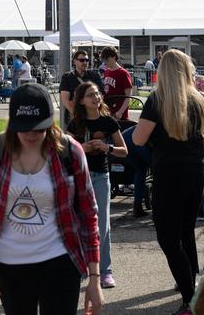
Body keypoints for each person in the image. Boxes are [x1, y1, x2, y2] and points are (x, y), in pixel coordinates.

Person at [0, 83, 103, 315]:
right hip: (9, 266)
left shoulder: (70, 152)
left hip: (60, 261)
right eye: (24, 127)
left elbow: (89, 214)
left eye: (39, 128)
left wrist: (95, 278)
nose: (31, 134)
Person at [132, 49, 204, 312]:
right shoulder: (198, 100)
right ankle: (193, 286)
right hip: (196, 169)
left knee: (168, 237)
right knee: (186, 231)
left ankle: (191, 297)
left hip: (169, 171)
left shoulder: (157, 99)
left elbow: (138, 139)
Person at [69, 81, 126, 289]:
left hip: (101, 177)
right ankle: (82, 268)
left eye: (97, 94)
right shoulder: (75, 123)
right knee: (78, 224)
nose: (96, 97)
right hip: (80, 178)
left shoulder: (109, 122)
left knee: (103, 225)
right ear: (82, 101)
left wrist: (107, 147)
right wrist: (81, 147)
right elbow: (66, 152)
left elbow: (124, 150)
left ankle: (105, 271)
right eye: (90, 95)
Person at [59, 48, 105, 122]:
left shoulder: (94, 76)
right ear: (74, 61)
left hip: (93, 117)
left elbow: (101, 95)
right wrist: (77, 116)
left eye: (87, 60)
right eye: (82, 60)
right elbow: (65, 100)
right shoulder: (67, 77)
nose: (85, 62)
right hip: (74, 118)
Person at [99, 46, 133, 125]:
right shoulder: (106, 72)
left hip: (119, 117)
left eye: (107, 59)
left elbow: (128, 97)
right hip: (107, 114)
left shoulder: (123, 73)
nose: (105, 62)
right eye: (103, 60)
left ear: (114, 57)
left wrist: (120, 112)